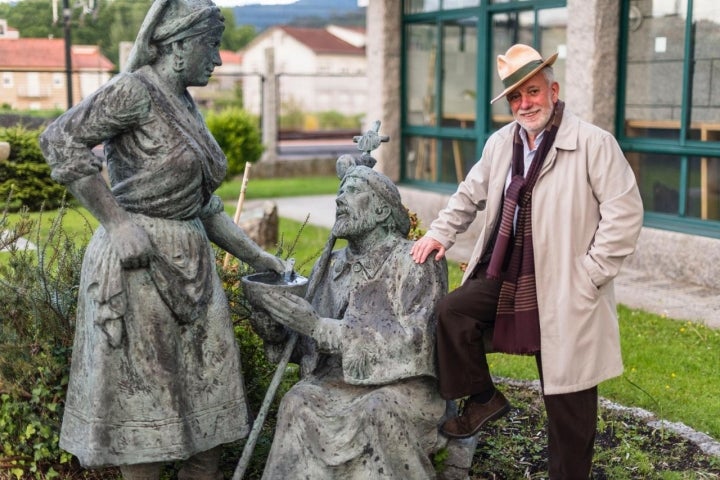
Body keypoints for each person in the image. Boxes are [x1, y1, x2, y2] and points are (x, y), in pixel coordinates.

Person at [39, 1, 284, 478]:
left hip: (193, 267)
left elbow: (204, 205)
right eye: (211, 46)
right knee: (144, 424)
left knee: (208, 422)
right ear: (177, 45)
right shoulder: (133, 92)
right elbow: (59, 140)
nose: (216, 59)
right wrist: (116, 222)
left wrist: (256, 255)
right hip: (140, 268)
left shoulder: (186, 105)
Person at [410, 44, 644, 479]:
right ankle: (484, 399)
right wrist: (440, 233)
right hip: (511, 274)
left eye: (532, 92)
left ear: (553, 90)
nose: (524, 104)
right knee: (453, 313)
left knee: (568, 399)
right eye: (515, 97)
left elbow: (625, 214)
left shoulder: (593, 143)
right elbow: (469, 194)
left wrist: (589, 274)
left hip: (566, 285)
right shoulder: (502, 143)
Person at [255, 158, 448, 479]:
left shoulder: (414, 261)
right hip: (336, 383)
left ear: (381, 211)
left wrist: (321, 328)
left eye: (353, 191)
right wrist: (277, 329)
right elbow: (309, 345)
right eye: (340, 192)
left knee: (378, 410)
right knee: (298, 400)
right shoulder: (332, 265)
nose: (338, 200)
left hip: (401, 386)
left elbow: (416, 342)